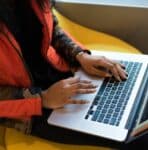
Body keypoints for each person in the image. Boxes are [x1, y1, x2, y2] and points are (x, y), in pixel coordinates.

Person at [0, 0, 127, 146]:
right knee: (129, 137)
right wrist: (42, 99)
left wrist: (80, 55)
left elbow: (51, 28)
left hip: (61, 76)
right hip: (28, 111)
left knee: (132, 96)